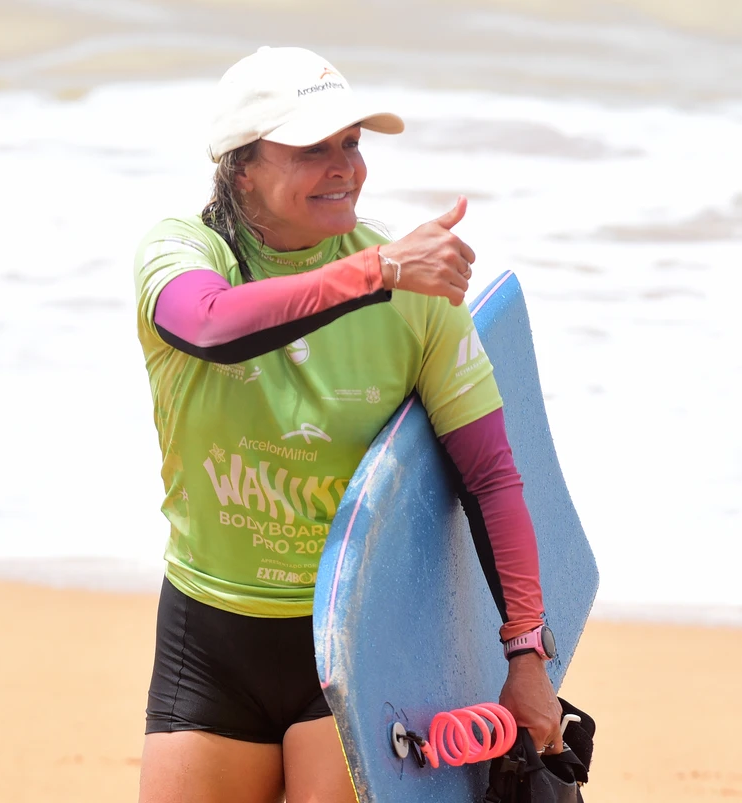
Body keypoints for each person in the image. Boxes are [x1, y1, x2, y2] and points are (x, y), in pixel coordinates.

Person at [133, 45, 562, 803]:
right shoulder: (185, 253)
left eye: (352, 143)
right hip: (208, 637)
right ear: (242, 167)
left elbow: (490, 476)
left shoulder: (413, 288)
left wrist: (527, 652)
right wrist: (377, 274)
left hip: (351, 641)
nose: (344, 167)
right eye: (311, 148)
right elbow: (208, 325)